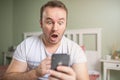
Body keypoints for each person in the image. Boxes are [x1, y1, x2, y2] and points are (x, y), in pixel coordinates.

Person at [2, 0, 89, 80]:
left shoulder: (75, 50)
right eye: (49, 22)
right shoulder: (26, 46)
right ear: (41, 24)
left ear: (66, 25)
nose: (55, 28)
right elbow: (6, 78)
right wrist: (35, 73)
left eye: (60, 22)